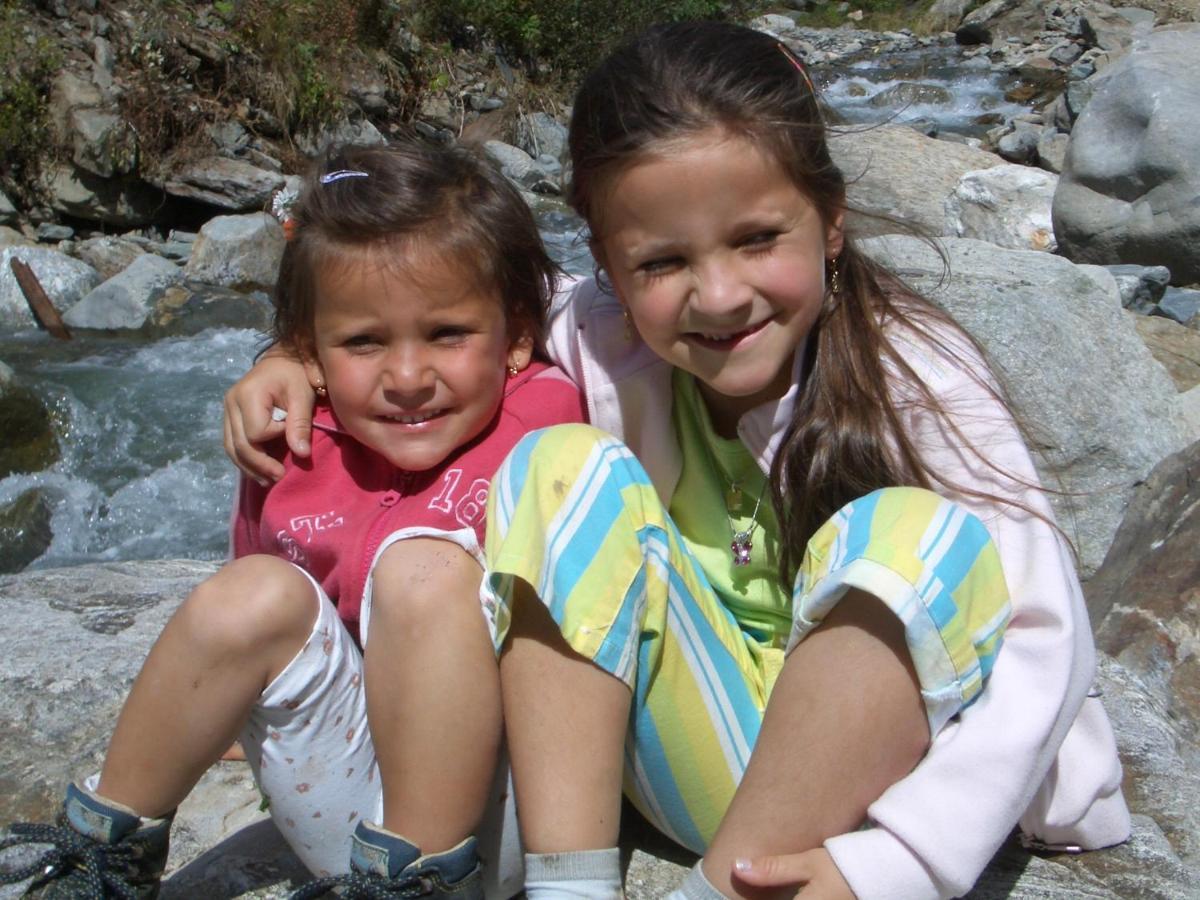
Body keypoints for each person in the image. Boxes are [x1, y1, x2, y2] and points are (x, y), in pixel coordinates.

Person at [220, 22, 1131, 900]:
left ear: (833, 221)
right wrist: (294, 356)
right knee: (562, 466)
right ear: (609, 271)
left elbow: (1042, 640)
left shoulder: (919, 373)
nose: (721, 294)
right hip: (690, 747)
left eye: (758, 239)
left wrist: (897, 863)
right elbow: (433, 301)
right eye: (660, 262)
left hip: (865, 778)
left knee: (921, 537)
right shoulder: (596, 331)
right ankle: (569, 885)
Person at [0, 140, 585, 900]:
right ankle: (106, 853)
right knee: (253, 589)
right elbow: (269, 627)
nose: (408, 379)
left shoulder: (553, 416)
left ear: (514, 337)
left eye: (447, 334)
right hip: (351, 831)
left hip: (506, 820)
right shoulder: (293, 446)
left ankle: (417, 878)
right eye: (363, 342)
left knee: (426, 566)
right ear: (311, 352)